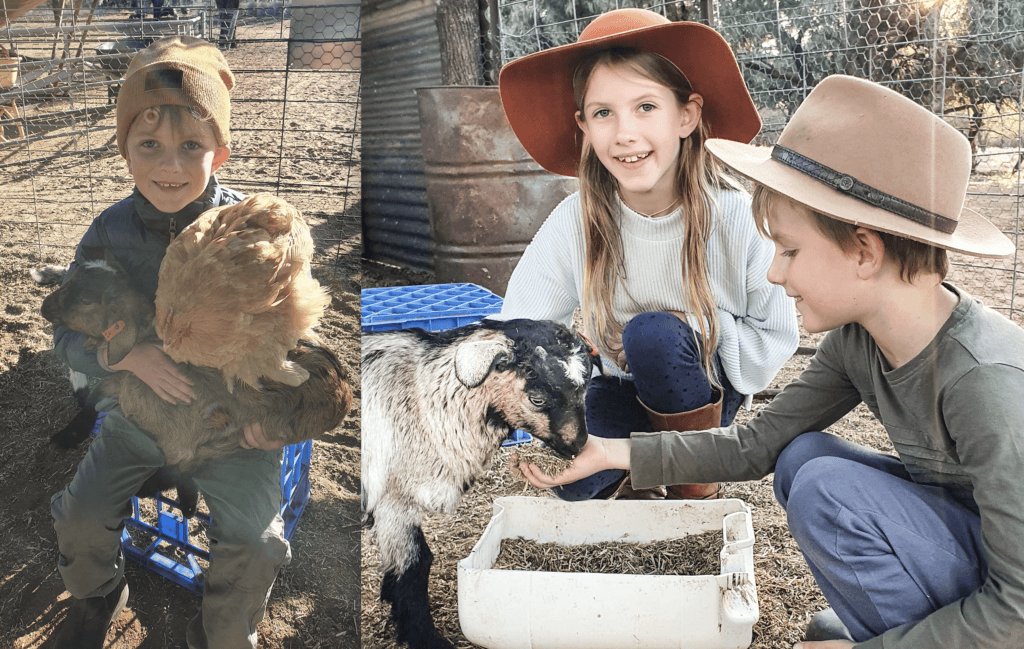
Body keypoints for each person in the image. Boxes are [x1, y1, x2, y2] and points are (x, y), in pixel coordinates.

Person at [519, 73, 1024, 648]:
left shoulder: (986, 381)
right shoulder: (858, 341)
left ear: (864, 250)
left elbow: (1019, 608)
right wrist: (609, 451)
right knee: (803, 455)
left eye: (788, 250)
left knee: (827, 488)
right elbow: (758, 444)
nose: (774, 272)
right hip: (970, 550)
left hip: (1006, 595)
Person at [496, 8, 799, 500]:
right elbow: (519, 325)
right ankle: (636, 483)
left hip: (702, 394)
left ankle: (693, 487)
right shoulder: (578, 218)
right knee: (577, 483)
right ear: (584, 127)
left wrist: (696, 326)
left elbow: (775, 338)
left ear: (687, 115)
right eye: (603, 113)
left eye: (645, 107)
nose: (624, 134)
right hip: (617, 387)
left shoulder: (735, 216)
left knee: (653, 335)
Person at [48, 36, 289, 649]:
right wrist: (125, 356)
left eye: (192, 147)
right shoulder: (107, 234)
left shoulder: (253, 230)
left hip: (231, 418)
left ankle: (224, 632)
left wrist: (280, 416)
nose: (170, 166)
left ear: (222, 153)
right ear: (124, 153)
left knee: (259, 543)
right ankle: (97, 594)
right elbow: (66, 336)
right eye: (148, 145)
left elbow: (297, 337)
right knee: (79, 516)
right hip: (138, 411)